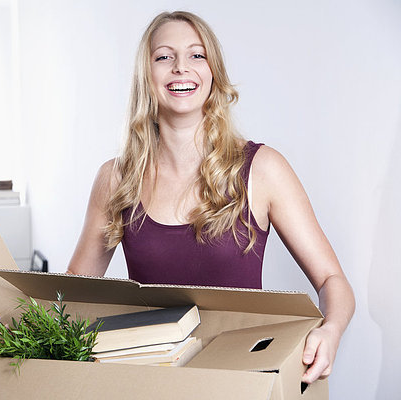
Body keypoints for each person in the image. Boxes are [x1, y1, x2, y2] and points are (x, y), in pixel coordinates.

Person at [66, 11, 354, 384]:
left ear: (212, 71)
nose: (181, 68)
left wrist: (329, 331)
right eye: (164, 57)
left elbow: (332, 279)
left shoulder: (262, 168)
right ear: (146, 75)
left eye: (196, 55)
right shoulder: (117, 179)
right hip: (152, 384)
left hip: (245, 379)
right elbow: (74, 289)